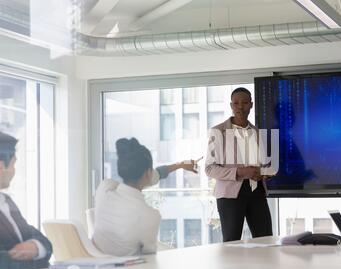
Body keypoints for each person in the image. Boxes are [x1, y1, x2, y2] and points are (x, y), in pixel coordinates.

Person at [93, 137, 201, 256]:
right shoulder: (149, 216)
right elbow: (149, 258)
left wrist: (180, 165)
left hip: (95, 263)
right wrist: (180, 165)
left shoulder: (105, 189)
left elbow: (154, 175)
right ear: (148, 173)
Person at [205, 87, 274, 242]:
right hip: (230, 195)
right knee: (231, 243)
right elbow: (209, 169)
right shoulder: (218, 131)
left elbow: (263, 164)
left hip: (257, 192)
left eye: (244, 102)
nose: (240, 106)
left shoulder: (257, 132)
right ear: (231, 105)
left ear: (251, 104)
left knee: (266, 240)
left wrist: (264, 172)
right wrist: (241, 172)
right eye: (236, 103)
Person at [0, 132, 52, 269]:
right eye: (13, 164)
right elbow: (3, 264)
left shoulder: (6, 202)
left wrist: (35, 247)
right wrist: (38, 260)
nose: (14, 171)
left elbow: (42, 240)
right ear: (1, 167)